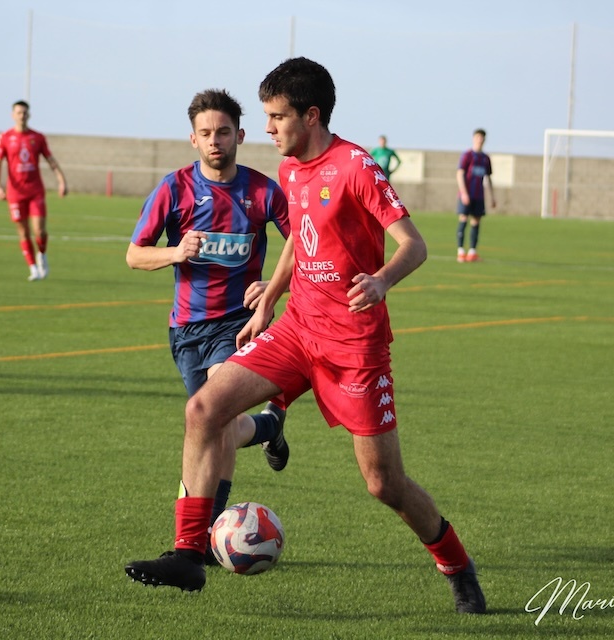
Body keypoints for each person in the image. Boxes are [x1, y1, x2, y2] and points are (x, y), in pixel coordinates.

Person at [125, 57, 486, 615]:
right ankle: (188, 556)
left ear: (310, 116)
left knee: (384, 484)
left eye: (277, 117)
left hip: (354, 346)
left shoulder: (356, 167)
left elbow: (413, 245)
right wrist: (271, 297)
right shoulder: (291, 170)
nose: (267, 128)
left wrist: (382, 280)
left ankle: (457, 565)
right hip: (298, 329)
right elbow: (301, 237)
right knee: (203, 409)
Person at [126, 89, 292, 557]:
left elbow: (304, 243)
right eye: (206, 133)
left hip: (238, 325)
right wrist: (175, 252)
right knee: (219, 427)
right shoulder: (174, 188)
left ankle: (201, 539)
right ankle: (269, 427)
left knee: (215, 420)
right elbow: (134, 254)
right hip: (186, 331)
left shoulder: (263, 191)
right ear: (193, 139)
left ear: (240, 135)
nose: (215, 140)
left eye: (223, 132)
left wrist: (274, 288)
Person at [0, 100, 68, 281]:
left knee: (39, 230)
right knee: (23, 231)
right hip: (15, 193)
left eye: (25, 112)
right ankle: (33, 268)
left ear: (29, 115)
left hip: (35, 191)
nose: (22, 116)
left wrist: (61, 180)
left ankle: (42, 254)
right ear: (13, 115)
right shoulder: (5, 137)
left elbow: (50, 160)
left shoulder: (37, 137)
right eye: (19, 112)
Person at [455, 129, 495, 263]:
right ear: (473, 138)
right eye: (478, 137)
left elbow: (488, 178)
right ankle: (460, 252)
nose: (480, 140)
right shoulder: (467, 155)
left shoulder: (485, 158)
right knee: (463, 219)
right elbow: (460, 174)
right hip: (466, 194)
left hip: (479, 196)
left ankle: (472, 252)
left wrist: (492, 196)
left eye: (482, 138)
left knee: (476, 221)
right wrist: (464, 193)